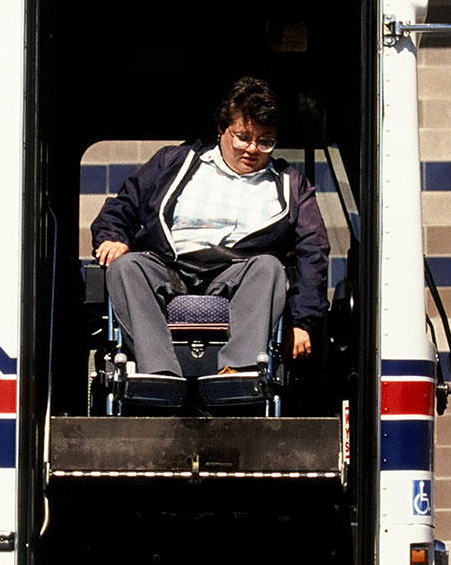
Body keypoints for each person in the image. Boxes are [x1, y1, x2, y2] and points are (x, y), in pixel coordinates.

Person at [91, 77, 330, 391]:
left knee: (269, 268)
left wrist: (303, 322)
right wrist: (113, 236)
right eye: (243, 137)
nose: (253, 149)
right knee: (126, 268)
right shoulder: (174, 161)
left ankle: (237, 375)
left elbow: (314, 251)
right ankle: (160, 376)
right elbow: (123, 205)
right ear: (221, 129)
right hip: (169, 264)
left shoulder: (291, 183)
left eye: (265, 141)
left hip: (238, 273)